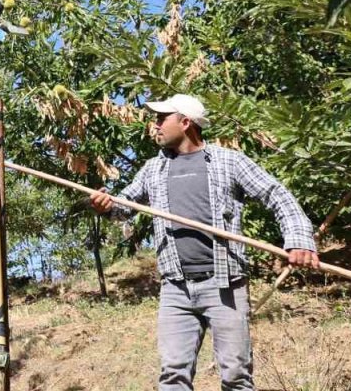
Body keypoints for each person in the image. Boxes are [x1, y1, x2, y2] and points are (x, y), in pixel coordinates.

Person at [88, 94, 319, 391]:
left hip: (225, 285)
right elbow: (124, 206)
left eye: (162, 119)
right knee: (173, 376)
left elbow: (277, 195)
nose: (155, 125)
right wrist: (106, 205)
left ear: (185, 123)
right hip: (176, 288)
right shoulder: (153, 169)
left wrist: (299, 241)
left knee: (236, 376)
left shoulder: (229, 161)